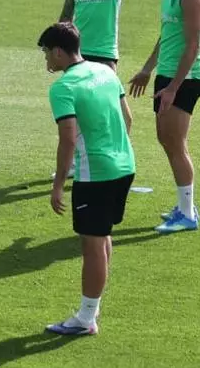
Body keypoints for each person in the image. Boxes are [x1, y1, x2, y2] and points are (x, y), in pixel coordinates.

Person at [40, 22, 135, 336]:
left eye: (47, 53)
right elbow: (128, 118)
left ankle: (85, 319)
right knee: (102, 236)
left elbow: (67, 140)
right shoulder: (106, 71)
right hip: (124, 165)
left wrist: (57, 185)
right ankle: (93, 308)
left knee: (92, 245)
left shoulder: (63, 88)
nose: (46, 60)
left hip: (95, 174)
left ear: (58, 51)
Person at [130, 0, 200, 234]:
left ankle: (187, 214)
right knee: (166, 139)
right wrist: (147, 69)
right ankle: (185, 206)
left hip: (184, 79)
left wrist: (174, 87)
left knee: (175, 143)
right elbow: (167, 34)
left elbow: (193, 46)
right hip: (167, 75)